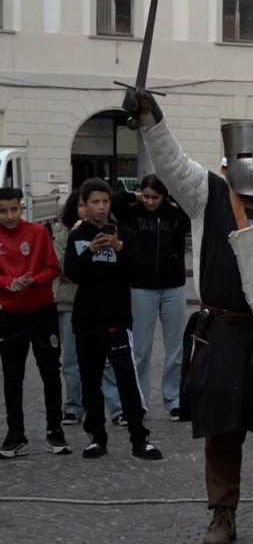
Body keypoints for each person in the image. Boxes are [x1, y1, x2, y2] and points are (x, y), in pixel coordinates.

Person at [129, 91, 253, 544]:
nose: (252, 160)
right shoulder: (207, 194)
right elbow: (171, 162)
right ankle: (222, 512)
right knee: (221, 427)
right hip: (224, 330)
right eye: (243, 152)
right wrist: (150, 120)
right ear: (229, 156)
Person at [63, 179, 163, 461]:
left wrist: (118, 248)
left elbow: (135, 270)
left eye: (105, 202)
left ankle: (139, 439)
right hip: (85, 320)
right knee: (90, 380)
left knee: (127, 378)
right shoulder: (78, 236)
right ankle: (97, 438)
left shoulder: (125, 234)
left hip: (116, 317)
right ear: (84, 204)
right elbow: (73, 273)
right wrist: (91, 252)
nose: (101, 207)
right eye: (95, 202)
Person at [111, 175, 191, 421]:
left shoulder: (177, 216)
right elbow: (114, 199)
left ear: (165, 196)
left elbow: (191, 205)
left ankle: (174, 399)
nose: (150, 202)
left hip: (173, 288)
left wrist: (171, 192)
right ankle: (139, 400)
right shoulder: (133, 214)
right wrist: (135, 195)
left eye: (155, 197)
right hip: (141, 288)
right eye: (146, 196)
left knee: (176, 348)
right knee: (140, 350)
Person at [0, 188, 68, 458]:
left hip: (42, 313)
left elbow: (53, 268)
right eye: (3, 211)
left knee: (50, 371)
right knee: (12, 374)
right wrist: (8, 284)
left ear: (22, 208)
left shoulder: (38, 234)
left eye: (14, 209)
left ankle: (55, 431)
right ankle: (15, 434)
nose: (9, 216)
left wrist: (32, 281)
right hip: (9, 315)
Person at [55, 193, 123, 427]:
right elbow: (64, 267)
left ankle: (116, 408)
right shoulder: (66, 236)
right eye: (82, 205)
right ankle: (73, 407)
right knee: (72, 360)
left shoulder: (112, 233)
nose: (87, 210)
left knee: (106, 362)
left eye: (92, 204)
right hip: (69, 304)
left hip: (100, 305)